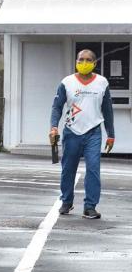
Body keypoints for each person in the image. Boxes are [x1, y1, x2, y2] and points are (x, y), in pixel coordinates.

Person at [50, 48, 115, 220]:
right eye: (80, 60)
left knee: (93, 169)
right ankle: (66, 201)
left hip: (93, 132)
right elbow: (57, 107)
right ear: (76, 61)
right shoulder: (67, 82)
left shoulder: (102, 83)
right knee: (68, 169)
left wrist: (111, 134)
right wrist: (53, 126)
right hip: (72, 131)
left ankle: (90, 206)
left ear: (94, 63)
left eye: (87, 60)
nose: (83, 63)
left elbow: (107, 111)